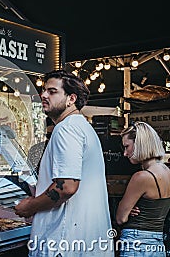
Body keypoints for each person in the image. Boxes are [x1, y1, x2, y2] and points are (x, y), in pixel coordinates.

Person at [14, 70, 113, 256]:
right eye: (44, 90)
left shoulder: (66, 129)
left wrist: (30, 206)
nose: (43, 95)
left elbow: (66, 187)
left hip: (63, 243)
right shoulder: (83, 127)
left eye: (52, 91)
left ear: (71, 99)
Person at [116, 121, 170, 256]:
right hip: (158, 244)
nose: (125, 153)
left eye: (127, 146)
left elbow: (120, 218)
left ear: (139, 143)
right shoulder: (167, 171)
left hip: (136, 242)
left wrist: (126, 208)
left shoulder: (141, 177)